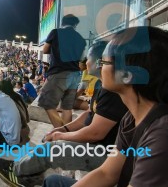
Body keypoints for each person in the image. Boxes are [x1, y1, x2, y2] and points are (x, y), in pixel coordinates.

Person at [43, 26, 168, 187]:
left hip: (99, 149)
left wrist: (61, 135)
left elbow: (95, 133)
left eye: (105, 61)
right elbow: (107, 173)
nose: (99, 66)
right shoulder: (130, 118)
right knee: (53, 182)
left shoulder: (161, 135)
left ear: (127, 75)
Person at [0, 41, 128, 187]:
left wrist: (61, 136)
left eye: (88, 59)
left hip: (104, 153)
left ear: (99, 62)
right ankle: (27, 173)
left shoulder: (113, 93)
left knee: (51, 149)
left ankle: (17, 171)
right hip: (95, 144)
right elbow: (89, 114)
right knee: (49, 142)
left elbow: (96, 133)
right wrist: (64, 129)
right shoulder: (101, 86)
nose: (85, 63)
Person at [38, 14, 86, 127]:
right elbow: (81, 58)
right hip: (75, 75)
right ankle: (65, 137)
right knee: (67, 107)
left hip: (59, 73)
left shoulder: (56, 32)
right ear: (75, 24)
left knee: (47, 103)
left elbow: (45, 50)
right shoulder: (81, 39)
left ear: (63, 23)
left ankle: (60, 132)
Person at [0, 80, 30, 144]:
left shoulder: (7, 99)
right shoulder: (18, 95)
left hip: (19, 131)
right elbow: (26, 106)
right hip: (25, 126)